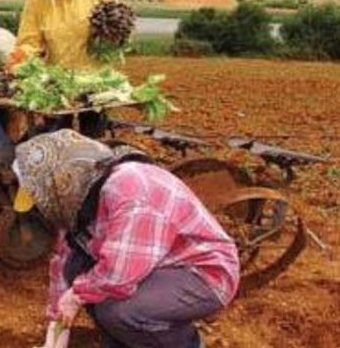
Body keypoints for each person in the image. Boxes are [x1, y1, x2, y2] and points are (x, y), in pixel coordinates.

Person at [12, 129, 240, 348]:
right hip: (151, 263)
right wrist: (56, 327)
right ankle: (125, 340)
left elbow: (118, 276)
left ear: (63, 178)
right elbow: (62, 261)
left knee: (120, 312)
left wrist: (74, 297)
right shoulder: (80, 197)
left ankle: (184, 344)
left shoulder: (130, 192)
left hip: (201, 273)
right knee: (75, 270)